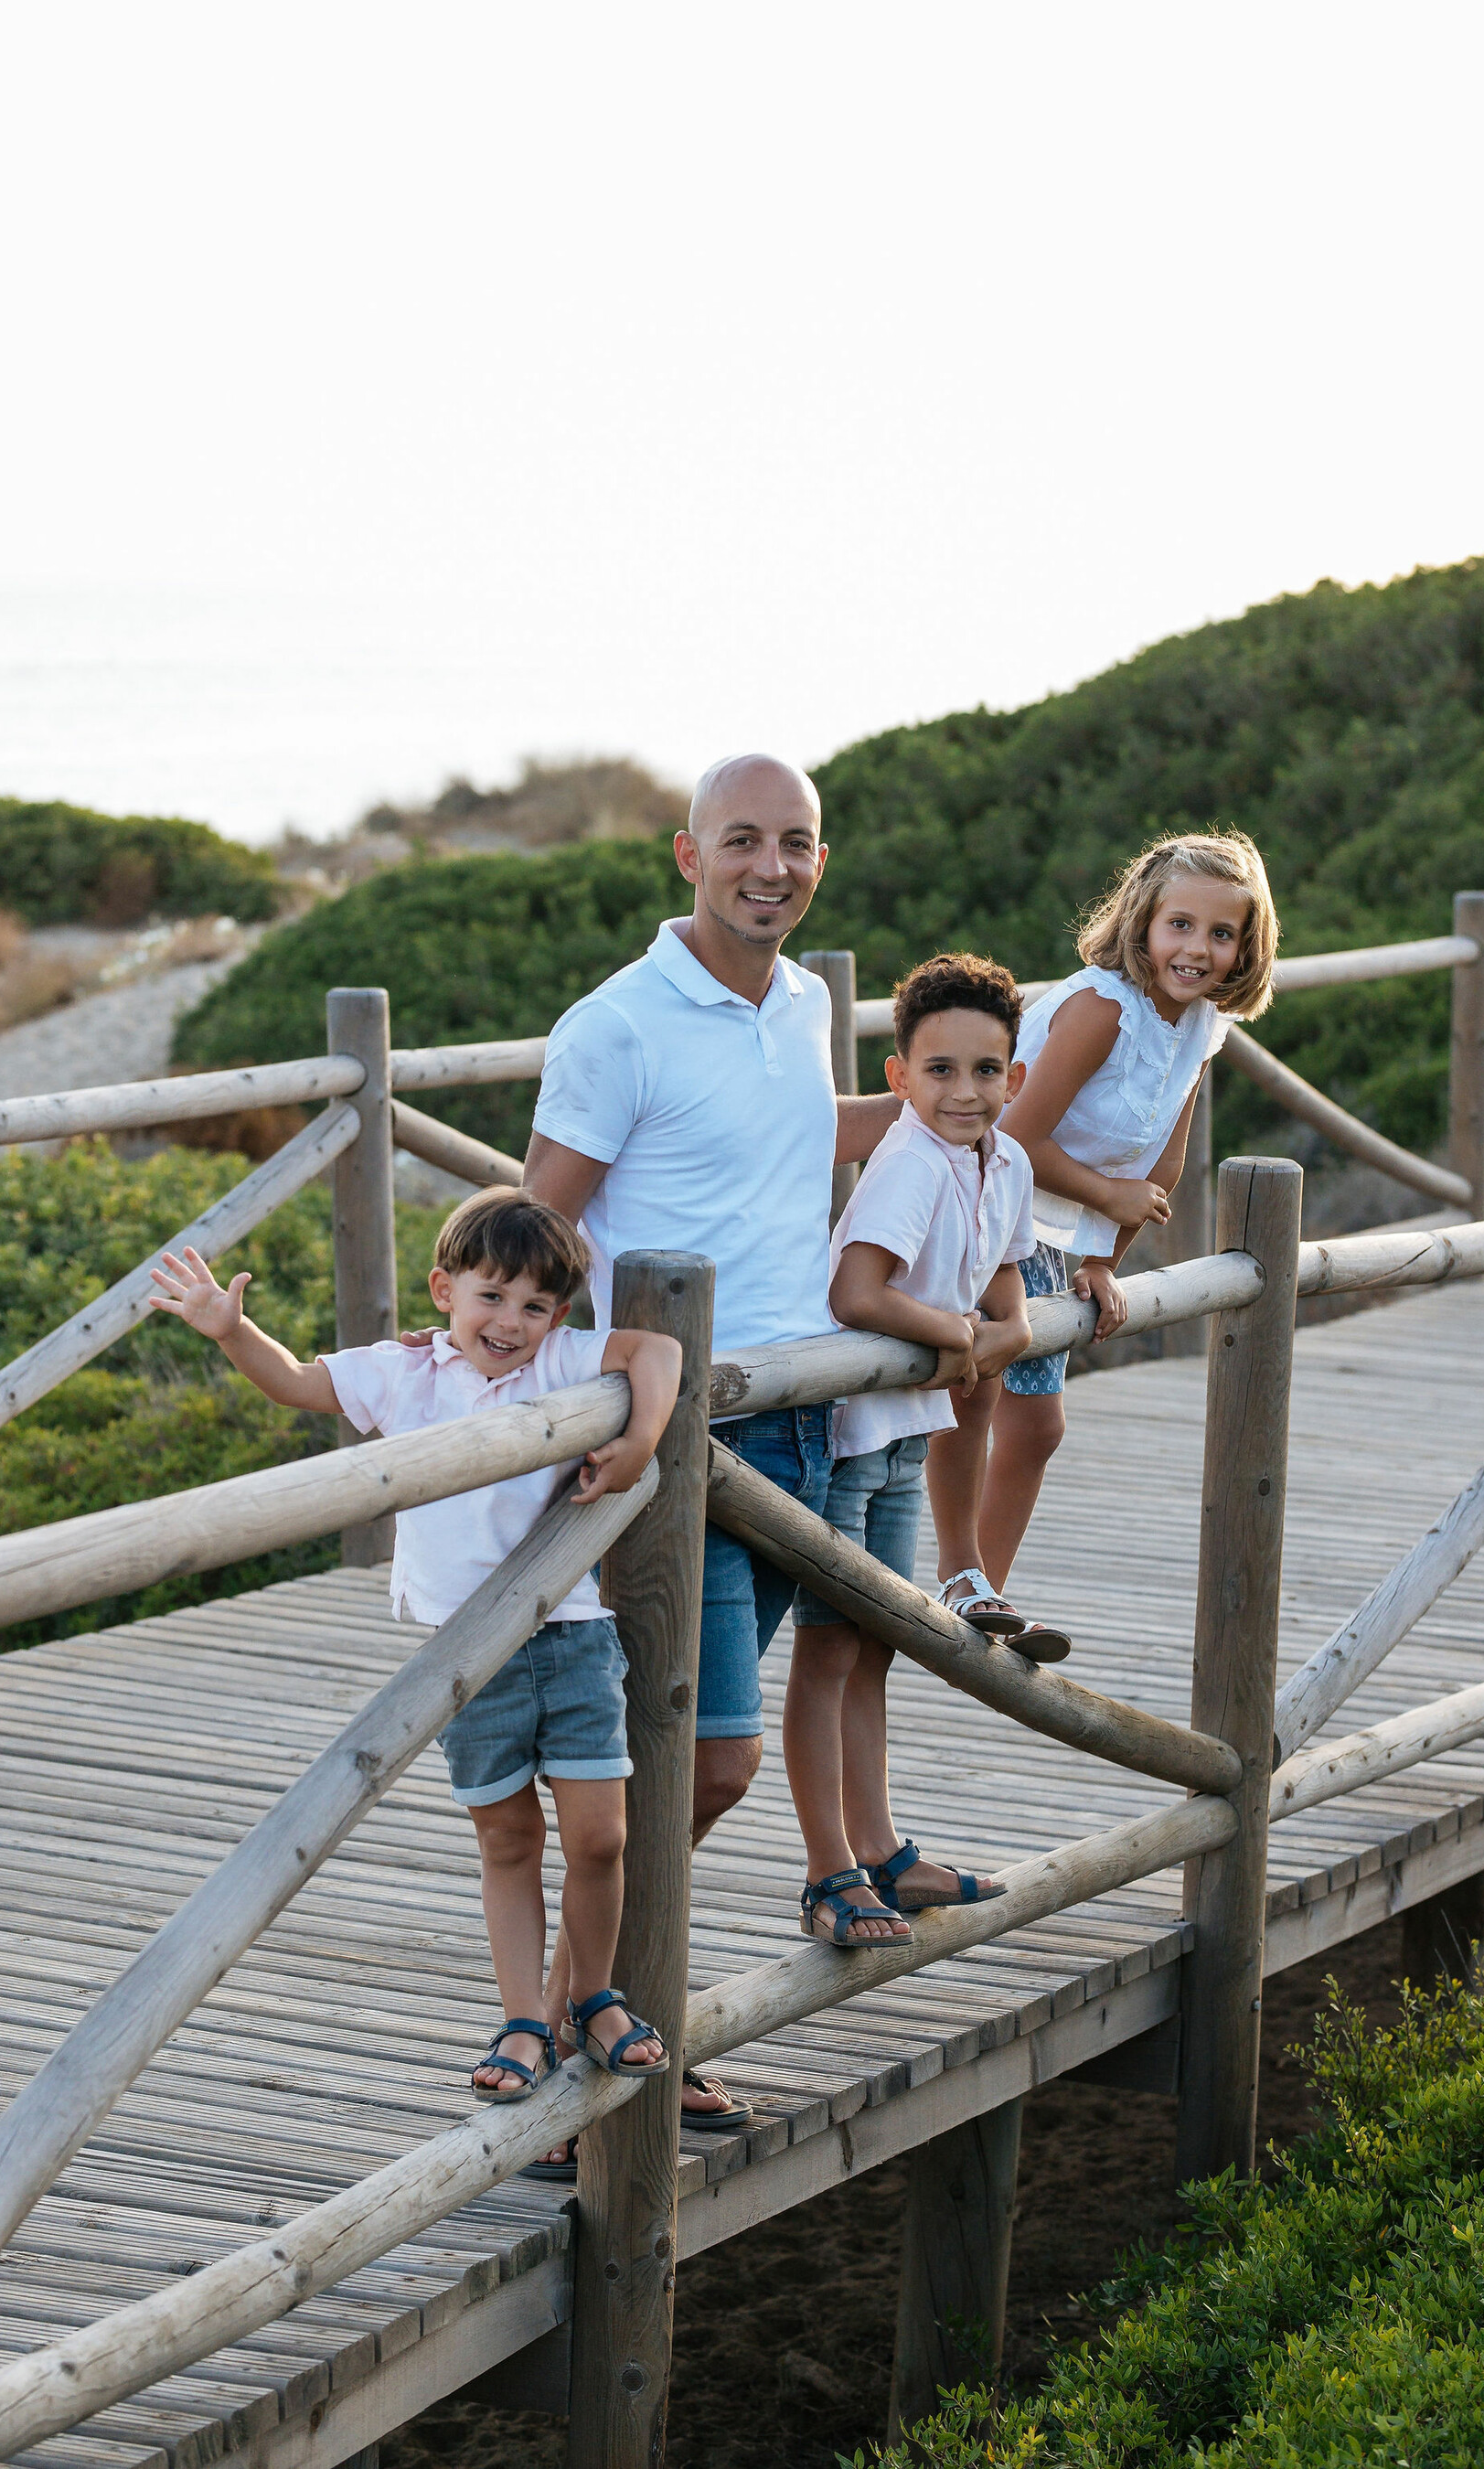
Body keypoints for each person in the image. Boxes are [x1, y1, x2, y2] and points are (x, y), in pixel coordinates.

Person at [521, 752, 901, 2132]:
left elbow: (793, 1146)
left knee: (694, 1754)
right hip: (682, 1437)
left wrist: (964, 1105)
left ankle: (602, 2027)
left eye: (797, 843)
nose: (773, 868)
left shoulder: (804, 1003)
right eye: (743, 841)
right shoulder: (615, 1025)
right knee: (706, 1759)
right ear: (687, 856)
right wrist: (558, 1405)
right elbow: (540, 1231)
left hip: (807, 1420)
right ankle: (579, 2026)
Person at [146, 1187, 682, 2111]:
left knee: (602, 1837)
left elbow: (658, 1348)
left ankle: (590, 1996)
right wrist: (231, 1332)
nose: (510, 1323)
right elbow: (304, 1384)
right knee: (507, 1838)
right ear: (444, 1289)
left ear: (558, 1316)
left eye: (535, 1306)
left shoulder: (560, 1361)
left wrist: (639, 1439)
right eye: (491, 1297)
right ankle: (523, 2019)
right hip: (466, 1654)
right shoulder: (404, 1374)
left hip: (570, 1634)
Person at [924, 828, 1280, 1618]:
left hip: (1055, 1234)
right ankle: (960, 1574)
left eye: (1223, 934)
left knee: (1039, 1425)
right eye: (1180, 925)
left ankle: (984, 1596)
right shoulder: (1101, 1010)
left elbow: (1159, 1170)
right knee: (978, 1391)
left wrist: (1102, 1260)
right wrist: (1104, 1198)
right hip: (979, 1207)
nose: (1198, 949)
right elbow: (1011, 1139)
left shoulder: (1201, 1027)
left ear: (1247, 947)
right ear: (1142, 923)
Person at [785, 952, 1067, 1945]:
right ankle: (831, 1871)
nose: (965, 1091)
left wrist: (1007, 1330)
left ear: (1015, 1078)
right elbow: (855, 1294)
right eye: (939, 1071)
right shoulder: (906, 1159)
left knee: (877, 1647)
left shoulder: (1010, 1161)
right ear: (898, 1078)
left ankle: (885, 1853)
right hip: (851, 1437)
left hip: (913, 1432)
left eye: (986, 1071)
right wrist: (962, 1337)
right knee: (827, 1651)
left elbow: (1006, 1291)